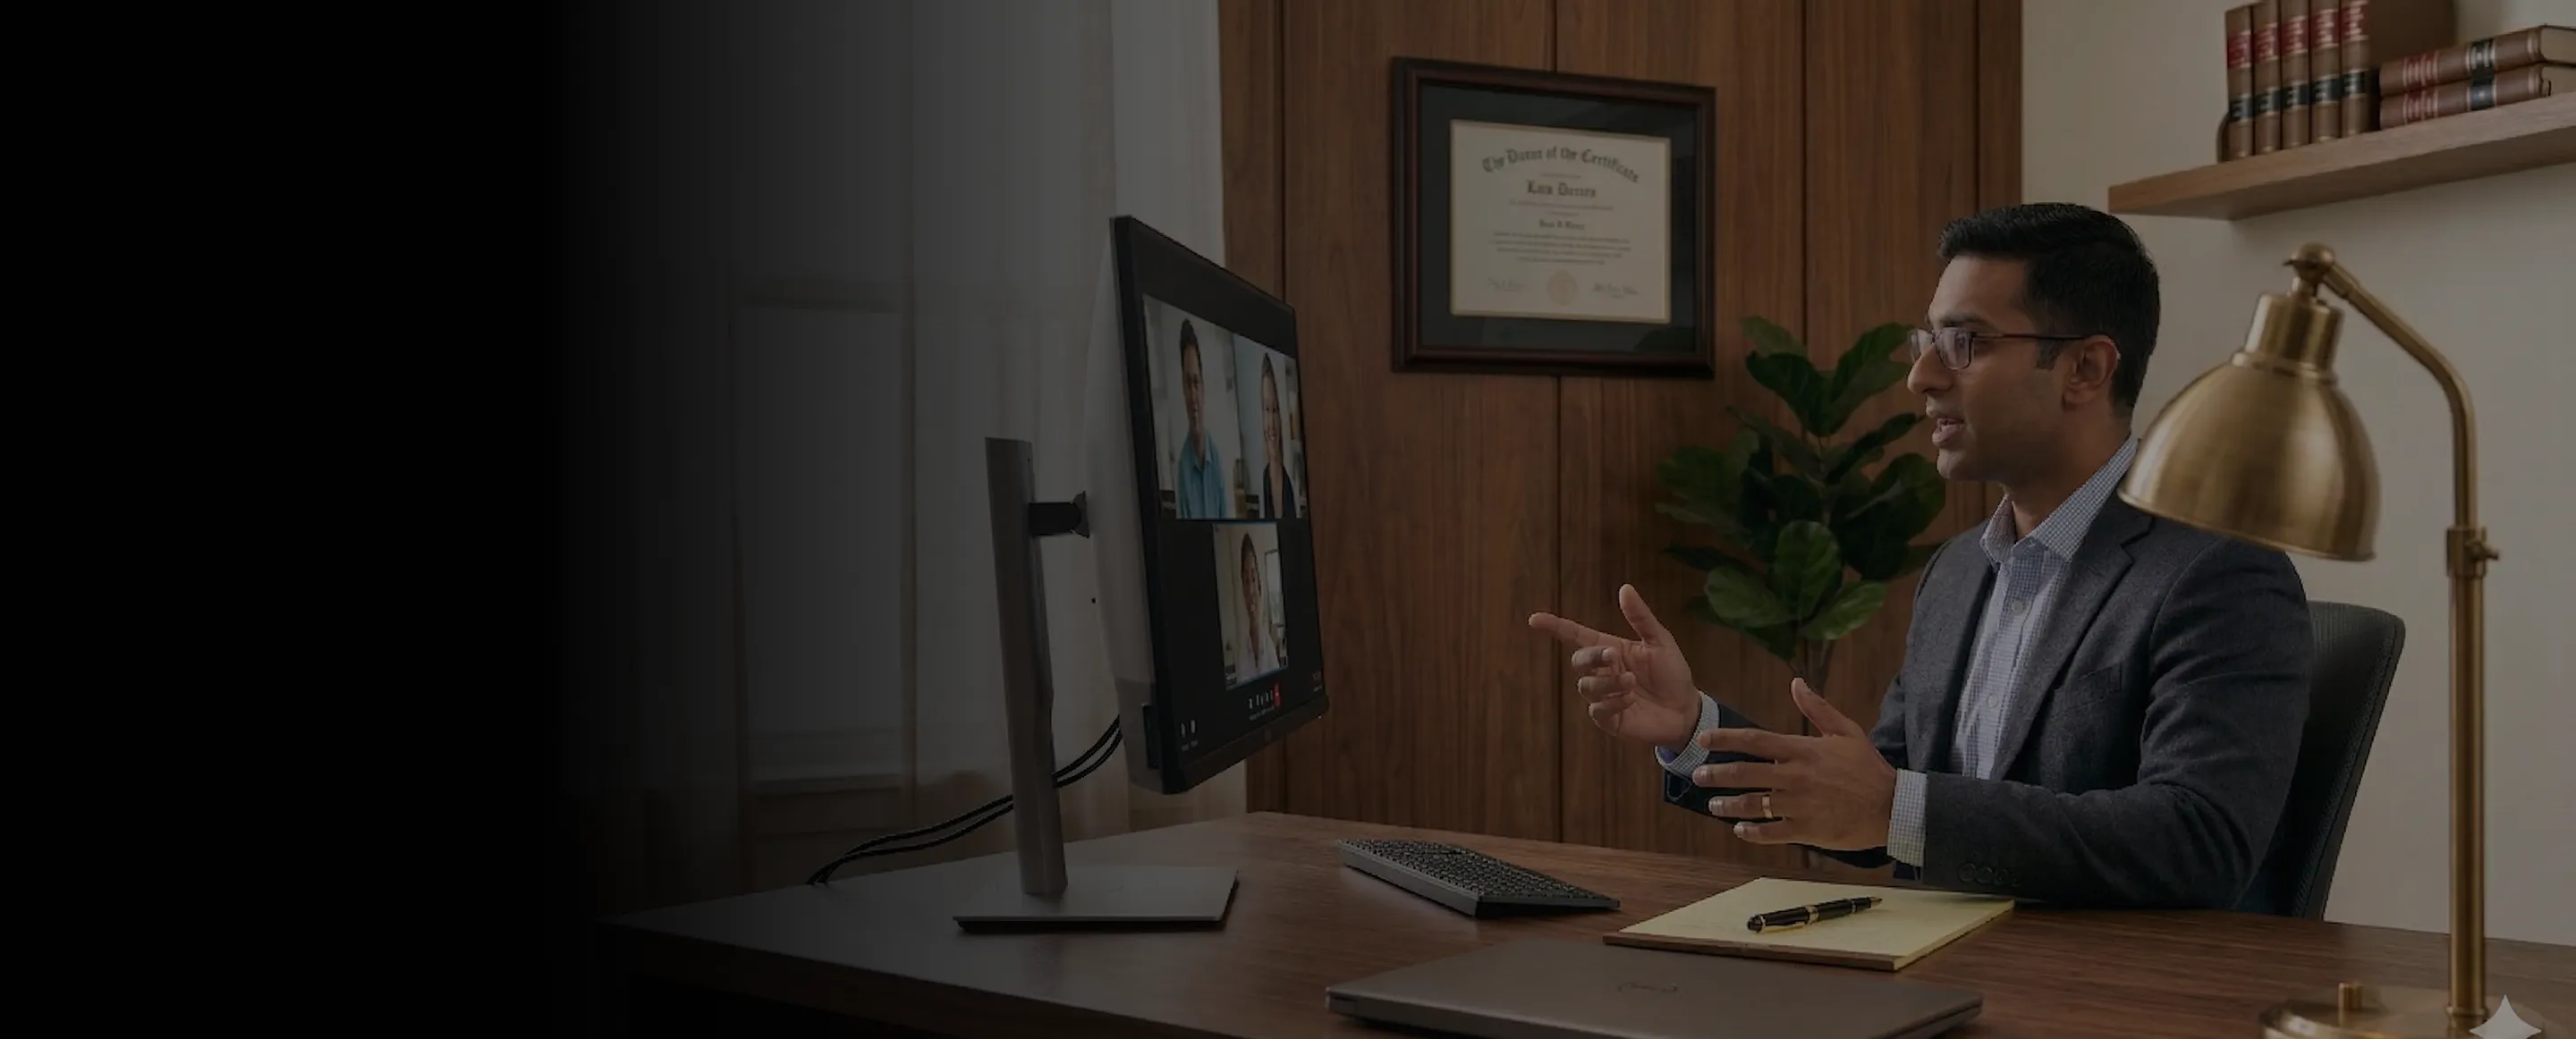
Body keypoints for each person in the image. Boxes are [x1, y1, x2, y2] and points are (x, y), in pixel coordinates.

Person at [1529, 202, 2314, 910]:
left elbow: (2200, 840)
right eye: (1927, 341)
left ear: (2085, 369)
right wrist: (1694, 728)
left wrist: (1897, 808)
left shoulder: (2219, 574)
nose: (1921, 376)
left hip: (2116, 994)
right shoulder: (1957, 571)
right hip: (1939, 973)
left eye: (1964, 343)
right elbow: (1873, 801)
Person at [1173, 321, 1230, 518]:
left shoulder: (1218, 460)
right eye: (1188, 383)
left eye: (1196, 382)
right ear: (1183, 389)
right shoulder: (1182, 470)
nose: (1193, 395)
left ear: (1203, 388)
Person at [1254, 355, 1301, 519]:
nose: (1271, 423)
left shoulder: (1292, 483)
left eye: (1275, 410)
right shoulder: (1261, 481)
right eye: (1267, 409)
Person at [1237, 532, 1280, 678]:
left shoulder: (1270, 650)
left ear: (1260, 587)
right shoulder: (1241, 654)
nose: (1250, 591)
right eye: (1246, 581)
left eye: (1254, 579)